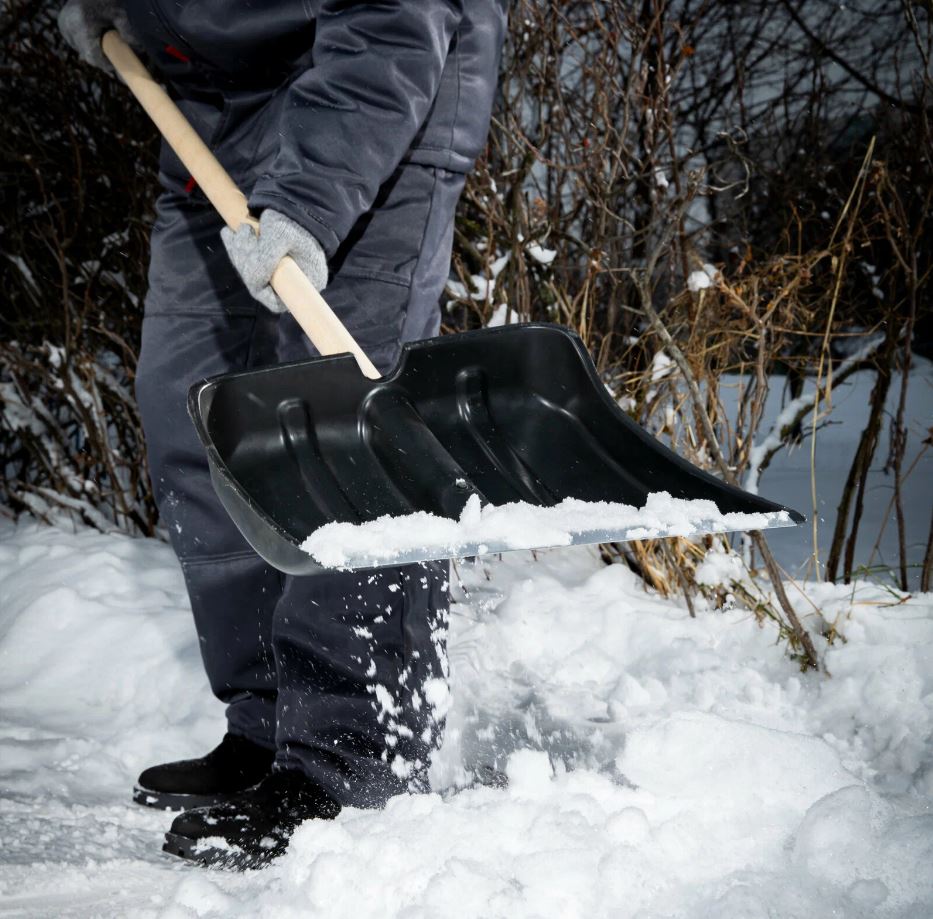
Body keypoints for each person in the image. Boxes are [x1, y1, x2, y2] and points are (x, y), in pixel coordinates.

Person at [58, 0, 507, 868]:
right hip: (212, 102)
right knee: (191, 398)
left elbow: (391, 22)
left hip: (381, 76)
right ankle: (271, 717)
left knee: (335, 415)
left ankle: (350, 753)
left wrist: (306, 199)